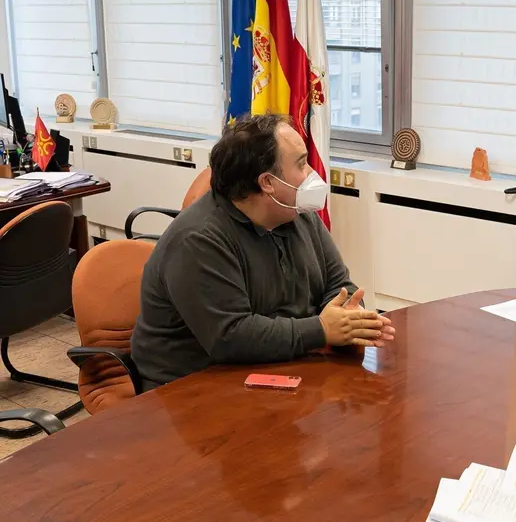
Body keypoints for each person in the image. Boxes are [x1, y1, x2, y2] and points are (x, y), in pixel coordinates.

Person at [131, 114, 394, 390]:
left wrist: (350, 316)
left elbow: (339, 285)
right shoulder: (198, 239)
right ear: (267, 183)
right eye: (301, 164)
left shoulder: (296, 212)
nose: (311, 174)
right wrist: (322, 329)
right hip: (192, 387)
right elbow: (231, 337)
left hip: (279, 368)